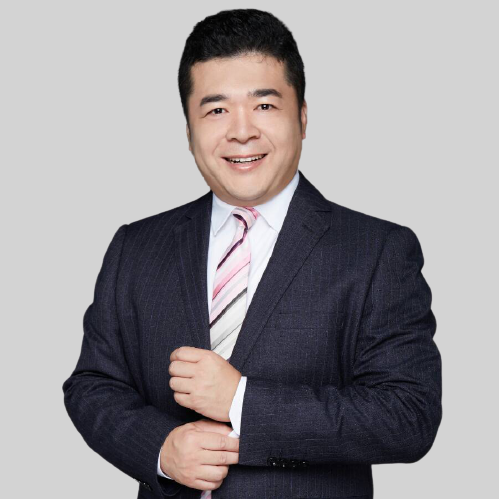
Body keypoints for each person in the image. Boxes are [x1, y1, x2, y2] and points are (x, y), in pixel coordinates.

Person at [62, 8, 442, 499]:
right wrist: (160, 449)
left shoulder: (376, 252)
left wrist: (241, 401)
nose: (241, 131)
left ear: (302, 117)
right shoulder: (135, 248)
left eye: (264, 105)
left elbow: (408, 417)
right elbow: (92, 386)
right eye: (216, 110)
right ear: (188, 130)